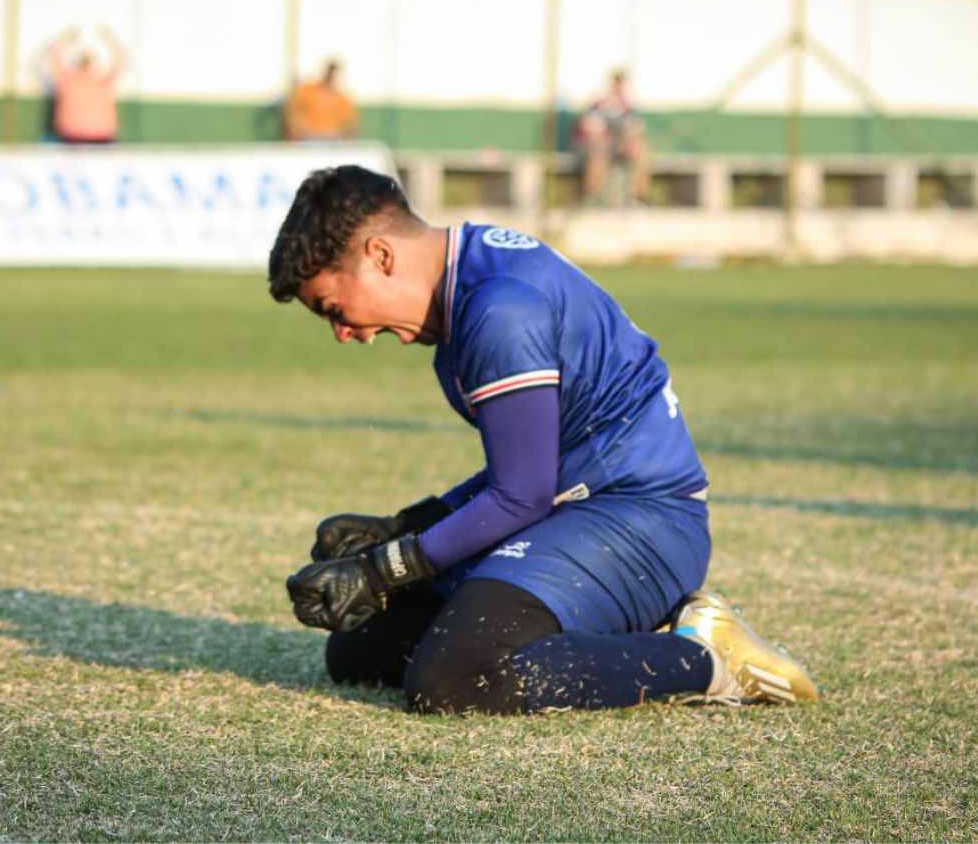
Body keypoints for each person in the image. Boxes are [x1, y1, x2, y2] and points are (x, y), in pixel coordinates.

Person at [269, 165, 819, 715]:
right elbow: (538, 460)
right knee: (362, 650)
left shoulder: (498, 310)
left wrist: (383, 565)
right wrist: (406, 524)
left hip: (645, 525)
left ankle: (705, 656)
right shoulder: (473, 274)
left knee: (455, 678)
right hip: (581, 507)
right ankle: (602, 627)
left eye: (332, 309)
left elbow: (521, 494)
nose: (344, 333)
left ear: (380, 256)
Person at [574, 69, 651, 205]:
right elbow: (592, 129)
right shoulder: (599, 104)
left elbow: (636, 129)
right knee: (600, 148)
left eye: (622, 84)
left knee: (641, 149)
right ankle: (592, 196)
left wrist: (627, 139)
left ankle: (639, 197)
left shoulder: (628, 107)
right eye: (617, 83)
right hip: (595, 146)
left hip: (619, 146)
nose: (620, 87)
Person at [45, 27, 127, 145]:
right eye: (84, 58)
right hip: (72, 138)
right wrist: (66, 38)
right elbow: (53, 57)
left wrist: (109, 39)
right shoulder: (68, 79)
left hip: (100, 138)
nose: (86, 61)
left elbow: (121, 61)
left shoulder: (103, 80)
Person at [284, 59, 359, 142]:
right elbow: (294, 115)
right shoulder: (307, 90)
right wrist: (298, 129)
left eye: (334, 74)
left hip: (333, 139)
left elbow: (350, 125)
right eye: (329, 72)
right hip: (308, 138)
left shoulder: (343, 97)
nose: (331, 76)